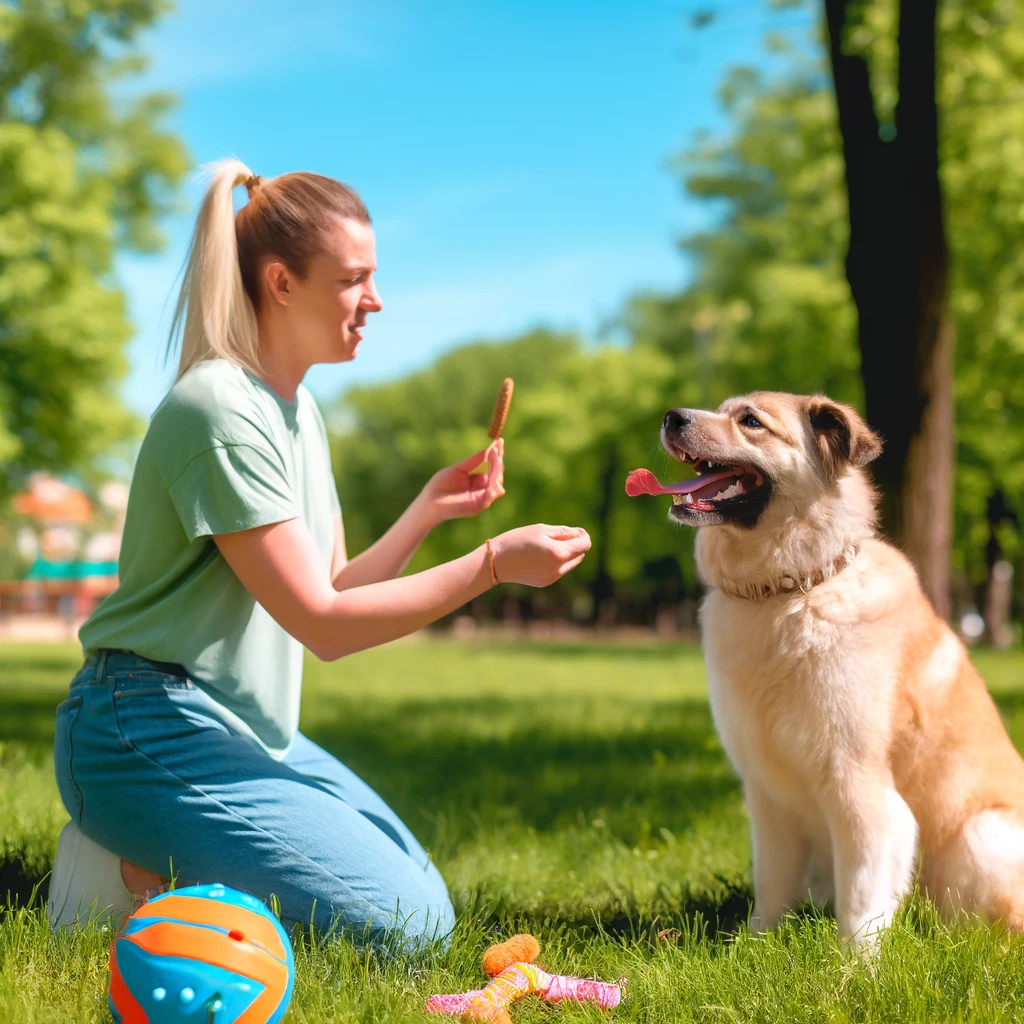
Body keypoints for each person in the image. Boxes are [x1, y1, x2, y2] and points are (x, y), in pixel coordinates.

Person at [48, 160, 591, 952]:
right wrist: (491, 566)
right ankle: (135, 865)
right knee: (411, 927)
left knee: (420, 892)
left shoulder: (298, 410)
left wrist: (428, 512)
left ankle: (173, 854)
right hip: (141, 725)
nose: (376, 301)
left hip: (241, 727)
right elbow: (324, 625)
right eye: (355, 280)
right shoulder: (219, 411)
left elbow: (332, 584)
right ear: (281, 283)